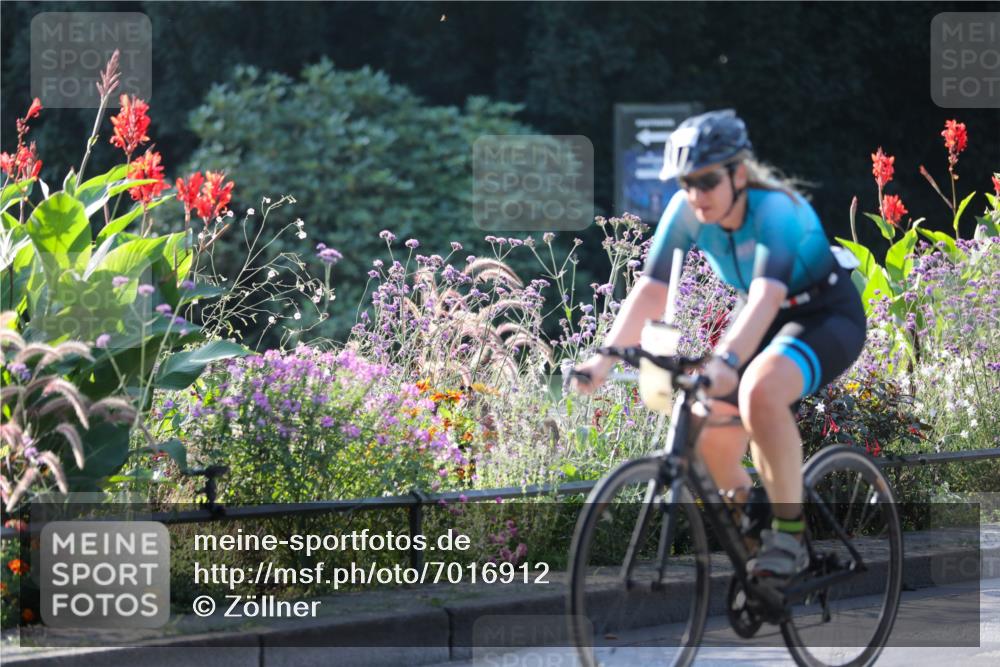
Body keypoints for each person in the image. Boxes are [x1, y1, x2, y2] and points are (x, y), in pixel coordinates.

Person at [571, 109, 866, 580]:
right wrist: (603, 359)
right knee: (706, 436)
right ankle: (759, 544)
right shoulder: (687, 211)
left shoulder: (775, 210)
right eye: (685, 183)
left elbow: (769, 294)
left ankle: (788, 537)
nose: (695, 195)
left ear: (739, 173)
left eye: (706, 181)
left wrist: (727, 360)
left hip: (824, 315)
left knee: (759, 392)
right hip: (762, 318)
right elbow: (651, 289)